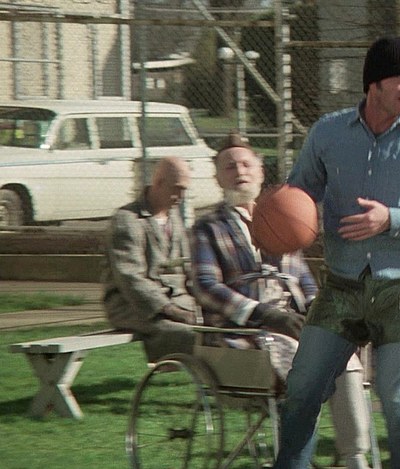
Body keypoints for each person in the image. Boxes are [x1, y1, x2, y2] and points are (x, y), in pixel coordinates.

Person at [274, 36, 400, 469]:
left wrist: (390, 219)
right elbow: (299, 191)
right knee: (301, 388)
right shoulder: (327, 133)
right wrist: (278, 214)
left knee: (398, 399)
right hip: (343, 283)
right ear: (373, 83)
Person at [189, 133, 372, 469]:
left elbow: (305, 283)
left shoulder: (283, 216)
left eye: (246, 164)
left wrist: (321, 313)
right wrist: (263, 314)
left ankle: (355, 459)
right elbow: (205, 286)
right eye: (229, 166)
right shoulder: (208, 227)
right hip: (241, 337)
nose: (239, 171)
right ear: (217, 177)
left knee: (342, 352)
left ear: (260, 172)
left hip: (293, 329)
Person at [102, 156, 197, 363]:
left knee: (221, 329)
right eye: (177, 189)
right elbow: (130, 278)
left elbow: (187, 266)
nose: (181, 196)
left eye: (184, 190)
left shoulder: (174, 217)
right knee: (192, 336)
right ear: (159, 183)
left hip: (179, 302)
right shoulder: (127, 220)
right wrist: (169, 309)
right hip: (133, 307)